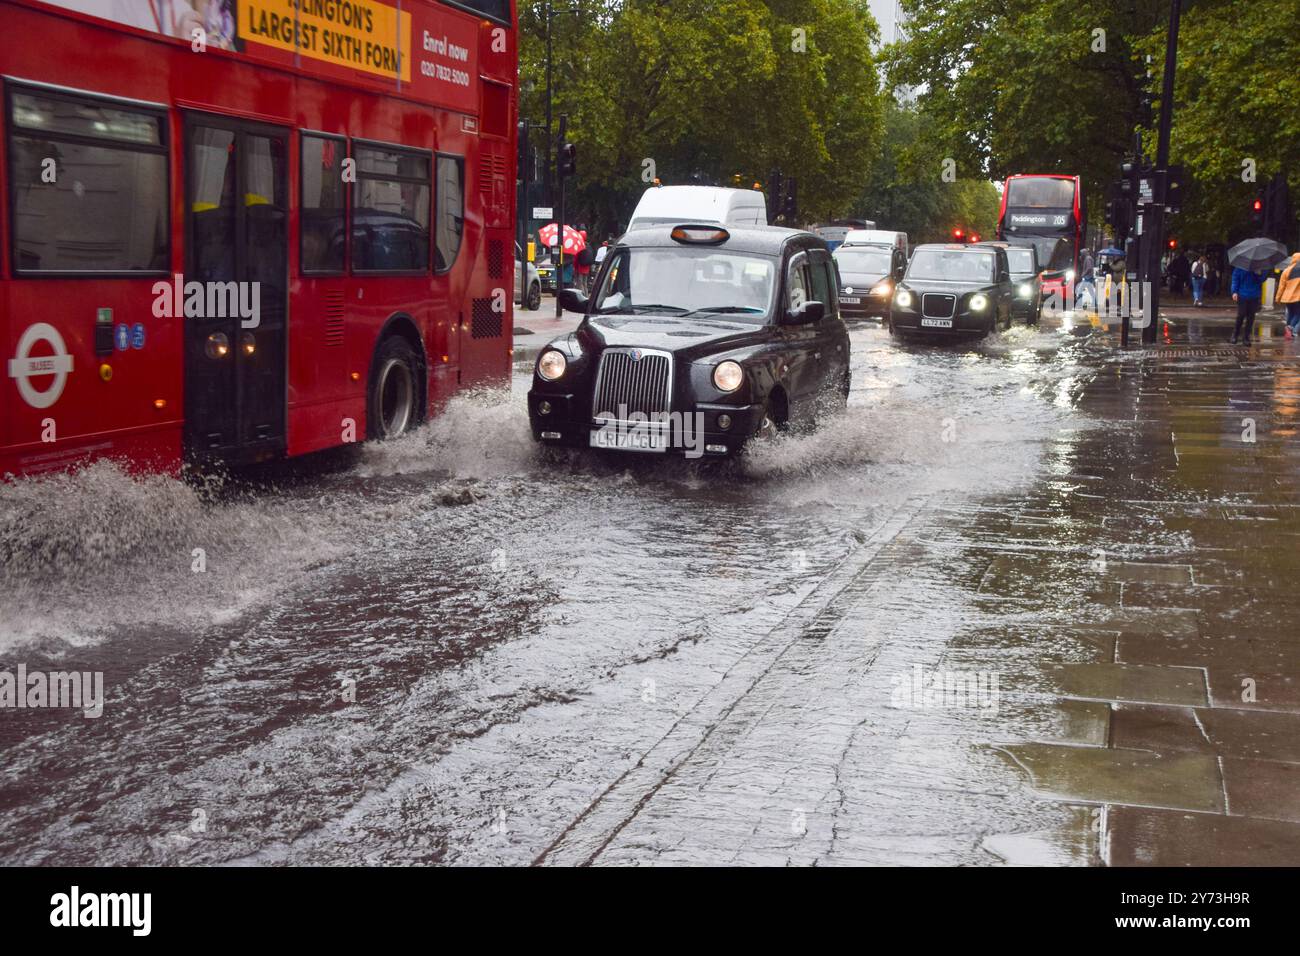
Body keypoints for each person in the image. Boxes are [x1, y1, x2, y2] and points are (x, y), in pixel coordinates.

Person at [1230, 263, 1266, 344]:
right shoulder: (1240, 267)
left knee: (1251, 317)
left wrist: (1259, 273)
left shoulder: (1260, 267)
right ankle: (1235, 335)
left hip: (1254, 295)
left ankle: (1246, 337)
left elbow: (1262, 280)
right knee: (1241, 315)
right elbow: (1235, 279)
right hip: (1242, 295)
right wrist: (1234, 292)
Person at [1276, 252, 1300, 340]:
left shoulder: (1286, 270)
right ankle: (1290, 327)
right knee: (1298, 314)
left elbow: (1281, 286)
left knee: (1290, 313)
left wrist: (1278, 298)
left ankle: (1288, 332)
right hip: (1298, 297)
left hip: (1287, 297)